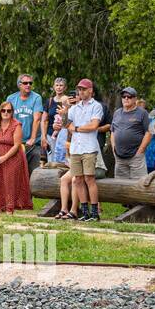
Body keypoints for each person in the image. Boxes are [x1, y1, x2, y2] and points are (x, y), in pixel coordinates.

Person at [64, 79, 105, 221]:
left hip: (89, 147)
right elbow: (66, 124)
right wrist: (64, 112)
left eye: (84, 89)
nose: (81, 92)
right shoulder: (74, 108)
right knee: (78, 180)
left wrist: (76, 128)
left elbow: (93, 126)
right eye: (79, 89)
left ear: (91, 91)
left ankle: (95, 212)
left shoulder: (96, 106)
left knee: (89, 178)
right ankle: (85, 212)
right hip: (76, 148)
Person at [0, 100, 33, 213]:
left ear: (12, 112)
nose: (6, 113)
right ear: (0, 111)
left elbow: (17, 145)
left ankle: (10, 207)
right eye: (3, 110)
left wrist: (4, 157)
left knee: (10, 181)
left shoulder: (16, 125)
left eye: (9, 111)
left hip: (12, 156)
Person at [5, 74, 45, 174]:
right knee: (15, 172)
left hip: (33, 144)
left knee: (33, 173)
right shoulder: (11, 98)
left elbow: (37, 119)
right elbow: (7, 118)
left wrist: (32, 138)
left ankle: (31, 189)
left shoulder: (36, 98)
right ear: (19, 84)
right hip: (15, 142)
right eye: (25, 83)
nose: (28, 85)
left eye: (30, 83)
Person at [110, 87, 152, 180]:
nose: (126, 98)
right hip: (119, 157)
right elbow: (113, 131)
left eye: (129, 96)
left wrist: (140, 150)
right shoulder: (117, 113)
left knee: (139, 186)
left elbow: (149, 133)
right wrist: (113, 148)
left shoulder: (142, 113)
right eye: (124, 96)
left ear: (135, 99)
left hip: (136, 156)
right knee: (120, 187)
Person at [41, 77, 68, 156]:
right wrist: (43, 137)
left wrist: (62, 125)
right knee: (51, 159)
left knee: (63, 159)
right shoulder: (49, 101)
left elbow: (71, 118)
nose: (59, 87)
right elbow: (44, 120)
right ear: (54, 87)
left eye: (61, 85)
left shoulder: (67, 101)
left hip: (64, 135)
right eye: (57, 85)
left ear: (65, 87)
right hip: (50, 134)